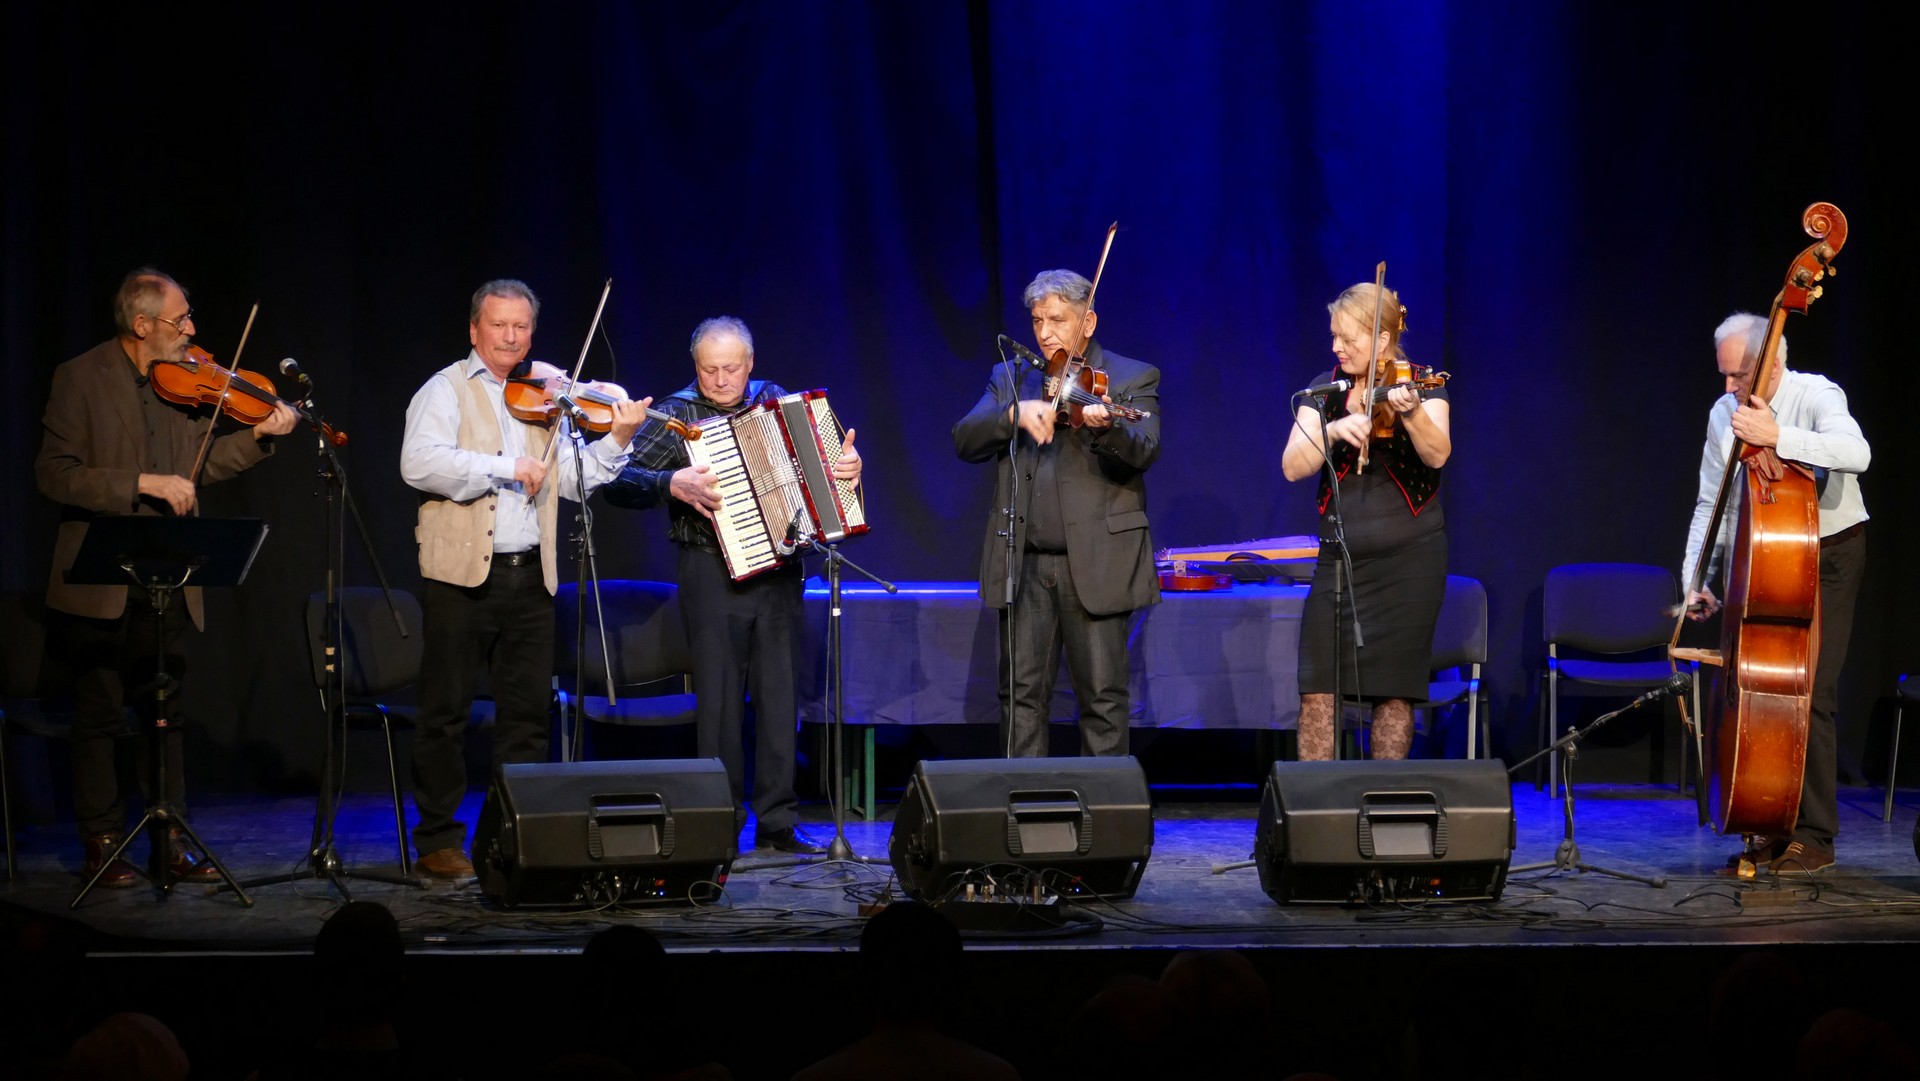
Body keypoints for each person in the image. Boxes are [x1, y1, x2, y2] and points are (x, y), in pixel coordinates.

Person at [35, 268, 299, 888]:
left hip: (169, 571)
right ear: (142, 324)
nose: (192, 330)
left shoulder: (184, 381)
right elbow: (55, 474)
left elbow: (201, 467)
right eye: (180, 320)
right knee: (100, 715)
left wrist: (258, 435)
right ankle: (102, 842)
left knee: (164, 713)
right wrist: (141, 484)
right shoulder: (80, 376)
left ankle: (169, 843)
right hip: (100, 575)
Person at [399, 279, 651, 879]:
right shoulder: (445, 389)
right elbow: (419, 462)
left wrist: (617, 439)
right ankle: (437, 840)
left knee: (526, 718)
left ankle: (507, 836)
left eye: (521, 327)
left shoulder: (547, 398)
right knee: (445, 713)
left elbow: (574, 480)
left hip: (531, 576)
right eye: (499, 325)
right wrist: (504, 467)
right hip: (461, 577)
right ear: (474, 330)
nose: (511, 337)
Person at [601, 316, 861, 855]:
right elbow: (616, 481)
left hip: (780, 571)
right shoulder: (675, 415)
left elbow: (820, 472)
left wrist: (847, 470)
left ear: (751, 364)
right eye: (709, 370)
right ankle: (718, 823)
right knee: (719, 704)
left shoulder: (774, 400)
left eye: (731, 369)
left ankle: (778, 823)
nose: (720, 380)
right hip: (710, 571)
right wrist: (669, 482)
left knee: (779, 698)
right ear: (695, 367)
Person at [1683, 312, 1869, 876]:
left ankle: (1814, 835)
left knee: (1810, 689)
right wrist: (1696, 576)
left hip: (1830, 551)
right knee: (1758, 687)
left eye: (1739, 375)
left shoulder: (1815, 394)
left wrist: (1778, 436)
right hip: (1762, 552)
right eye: (1724, 374)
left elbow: (1857, 453)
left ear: (1771, 363)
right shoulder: (1723, 413)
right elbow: (1711, 501)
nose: (1728, 387)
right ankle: (1767, 819)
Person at [952, 269, 1162, 758]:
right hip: (1023, 564)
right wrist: (1013, 415)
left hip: (1098, 564)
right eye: (1037, 320)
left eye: (1057, 320)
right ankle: (1022, 799)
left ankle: (1106, 803)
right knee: (1020, 697)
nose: (1044, 332)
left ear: (1087, 322)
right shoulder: (1012, 378)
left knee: (1103, 700)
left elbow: (1145, 448)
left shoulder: (1131, 376)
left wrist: (1107, 428)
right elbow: (964, 438)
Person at [1279, 282, 1450, 761]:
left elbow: (1437, 455)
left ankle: (1384, 795)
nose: (1337, 346)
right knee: (1317, 690)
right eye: (1334, 336)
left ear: (1381, 339)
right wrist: (1333, 430)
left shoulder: (1421, 384)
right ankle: (1315, 799)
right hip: (1338, 564)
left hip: (1410, 564)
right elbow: (1292, 466)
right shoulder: (1324, 390)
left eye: (1347, 338)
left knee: (1394, 693)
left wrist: (1412, 415)